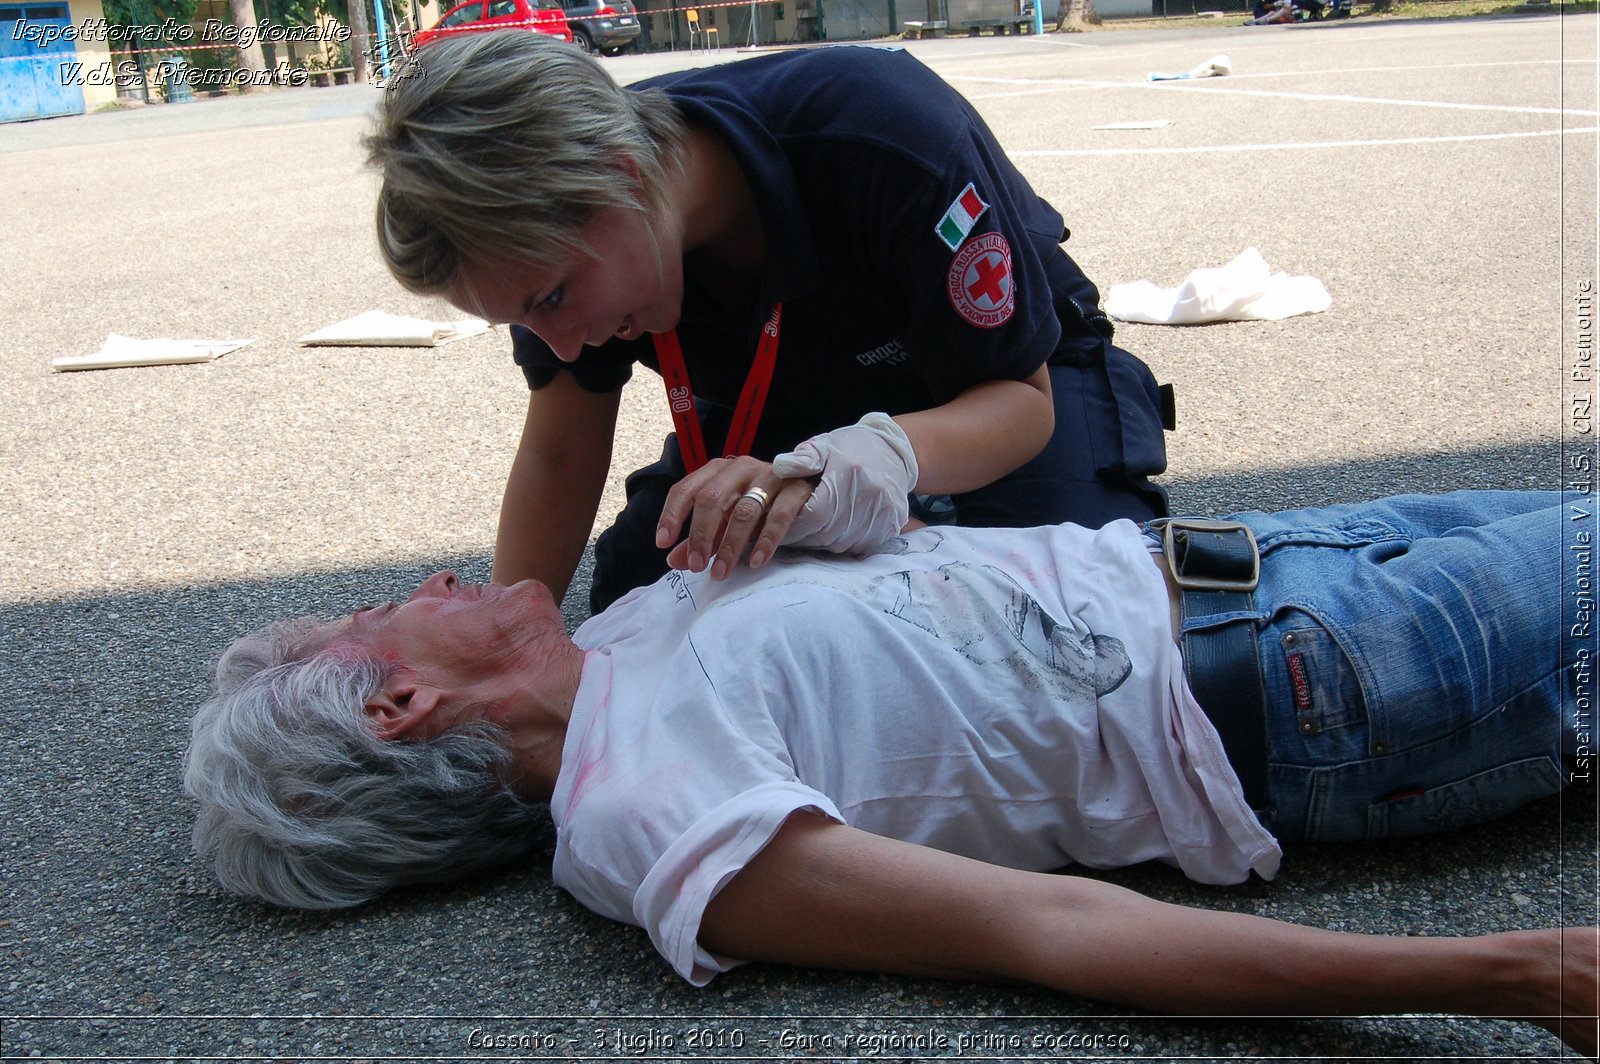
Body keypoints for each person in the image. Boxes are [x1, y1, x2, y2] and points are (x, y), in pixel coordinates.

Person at [185, 490, 1596, 1054]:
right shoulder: (641, 818)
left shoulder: (613, 625)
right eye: (389, 608)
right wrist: (1502, 977)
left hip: (1276, 553)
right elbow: (1044, 931)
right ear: (406, 707)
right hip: (1329, 688)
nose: (433, 575)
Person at [364, 32, 1174, 613]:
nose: (565, 346)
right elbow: (562, 447)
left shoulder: (887, 137)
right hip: (785, 411)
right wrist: (511, 626)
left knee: (1074, 602)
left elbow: (1021, 401)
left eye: (552, 303)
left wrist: (881, 455)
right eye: (525, 324)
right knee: (643, 597)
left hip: (994, 385)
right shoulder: (545, 253)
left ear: (621, 176)